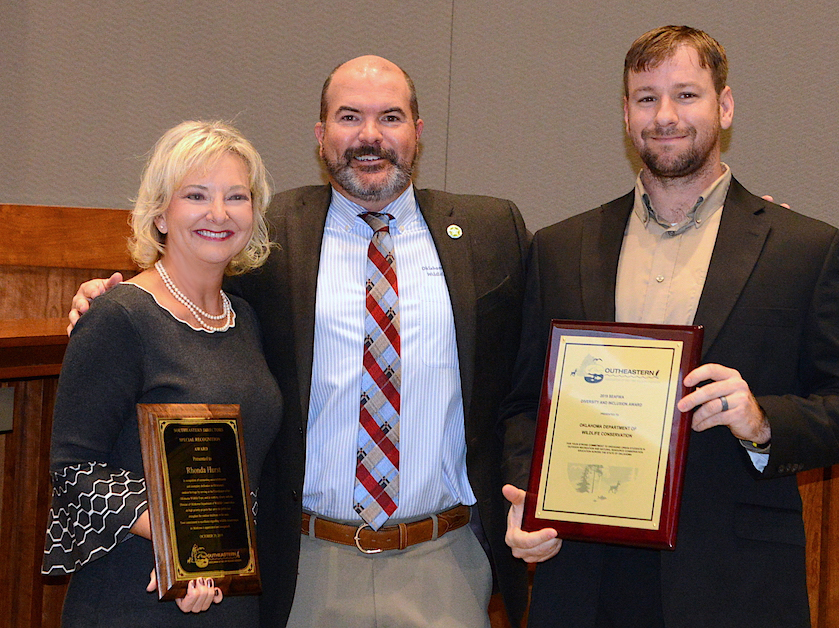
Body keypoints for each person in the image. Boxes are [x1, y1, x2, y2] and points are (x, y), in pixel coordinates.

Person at [69, 56, 530, 627]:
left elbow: (526, 387)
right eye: (348, 117)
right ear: (320, 134)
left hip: (445, 564)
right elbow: (187, 291)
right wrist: (104, 296)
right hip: (307, 566)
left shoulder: (493, 232)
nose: (369, 135)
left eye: (390, 117)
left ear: (417, 131)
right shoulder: (268, 234)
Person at [500, 25, 839, 628]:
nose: (665, 116)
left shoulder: (806, 249)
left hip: (734, 582)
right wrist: (527, 496)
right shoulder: (559, 247)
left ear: (724, 106)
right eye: (646, 98)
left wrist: (762, 421)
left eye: (686, 95)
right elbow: (526, 403)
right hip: (583, 579)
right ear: (625, 114)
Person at [44, 120, 283, 626]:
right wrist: (183, 540)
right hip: (134, 596)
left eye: (236, 197)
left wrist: (213, 551)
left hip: (232, 595)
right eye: (196, 195)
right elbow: (74, 469)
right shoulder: (119, 317)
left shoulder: (247, 319)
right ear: (159, 214)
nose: (218, 213)